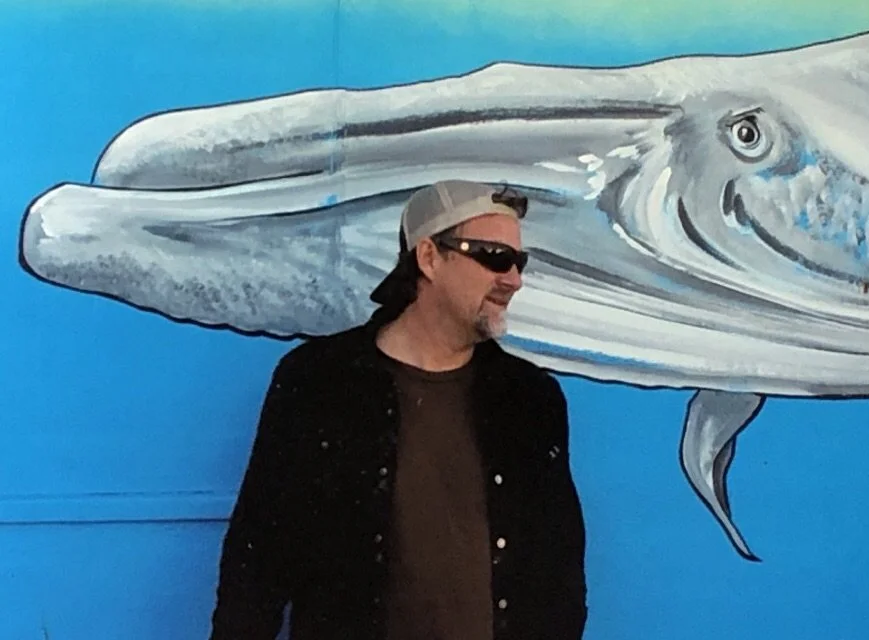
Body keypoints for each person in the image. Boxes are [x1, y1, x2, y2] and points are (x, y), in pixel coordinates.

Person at [208, 180, 588, 639]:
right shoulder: (319, 383)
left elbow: (559, 569)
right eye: (494, 257)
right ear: (428, 257)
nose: (513, 279)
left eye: (519, 261)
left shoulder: (530, 399)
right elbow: (257, 563)